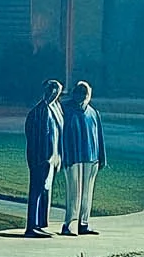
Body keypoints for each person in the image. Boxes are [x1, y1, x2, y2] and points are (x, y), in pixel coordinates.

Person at [59, 79, 105, 235]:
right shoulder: (65, 109)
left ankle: (84, 223)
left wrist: (101, 157)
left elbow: (99, 137)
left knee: (87, 192)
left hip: (91, 158)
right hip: (72, 157)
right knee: (74, 191)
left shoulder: (93, 113)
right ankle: (69, 224)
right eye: (79, 92)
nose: (82, 96)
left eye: (85, 93)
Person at [23, 79, 64, 235]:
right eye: (53, 92)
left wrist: (58, 155)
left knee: (46, 190)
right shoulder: (40, 111)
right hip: (40, 158)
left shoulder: (55, 109)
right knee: (37, 190)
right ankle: (32, 226)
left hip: (51, 157)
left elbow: (58, 135)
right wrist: (42, 158)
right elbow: (36, 137)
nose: (54, 95)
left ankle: (41, 223)